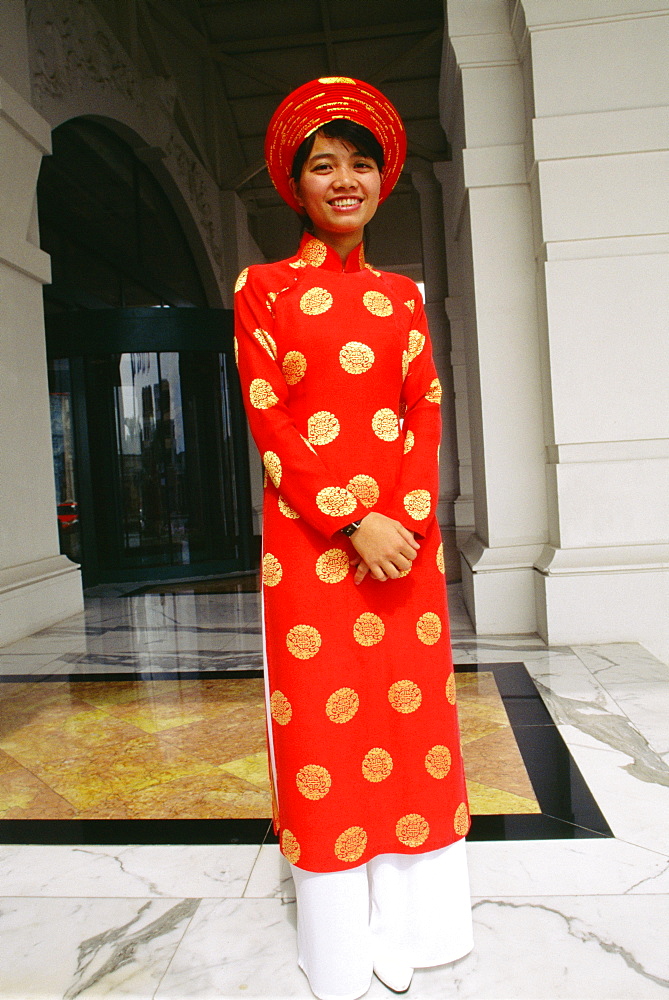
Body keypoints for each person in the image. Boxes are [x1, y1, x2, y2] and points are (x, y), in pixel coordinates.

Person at [234, 77, 473, 1000]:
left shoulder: (404, 299)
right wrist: (350, 519)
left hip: (404, 552)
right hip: (309, 549)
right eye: (322, 164)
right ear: (294, 184)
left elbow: (426, 411)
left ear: (382, 179)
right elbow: (271, 425)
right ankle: (337, 939)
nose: (344, 180)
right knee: (324, 725)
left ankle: (416, 921)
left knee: (409, 724)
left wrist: (403, 524)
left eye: (360, 163)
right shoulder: (263, 290)